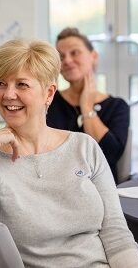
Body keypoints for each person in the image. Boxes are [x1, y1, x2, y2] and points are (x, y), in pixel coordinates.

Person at [0, 39, 138, 268]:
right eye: (0, 83)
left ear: (48, 93)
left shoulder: (84, 146)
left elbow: (115, 232)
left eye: (22, 85)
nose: (8, 94)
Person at [46, 27, 130, 183]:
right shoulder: (48, 101)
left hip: (100, 188)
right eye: (61, 56)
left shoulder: (117, 106)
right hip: (56, 185)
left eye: (75, 53)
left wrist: (87, 108)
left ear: (94, 56)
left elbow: (109, 155)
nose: (68, 61)